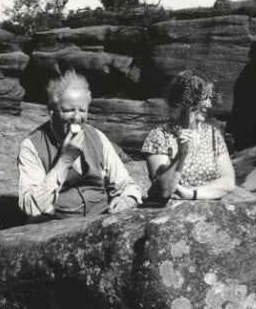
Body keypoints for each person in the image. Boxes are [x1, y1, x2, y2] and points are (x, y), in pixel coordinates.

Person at [18, 70, 142, 221]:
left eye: (82, 110)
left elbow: (126, 184)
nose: (77, 117)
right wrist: (65, 160)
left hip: (102, 218)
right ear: (51, 112)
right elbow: (31, 207)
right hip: (57, 223)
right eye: (69, 110)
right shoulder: (32, 146)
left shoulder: (97, 137)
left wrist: (126, 200)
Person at [141, 70, 235, 202]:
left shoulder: (213, 135)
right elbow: (164, 190)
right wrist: (181, 154)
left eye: (209, 98)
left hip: (208, 208)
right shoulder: (159, 136)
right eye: (204, 99)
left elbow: (229, 182)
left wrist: (190, 194)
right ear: (186, 101)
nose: (209, 105)